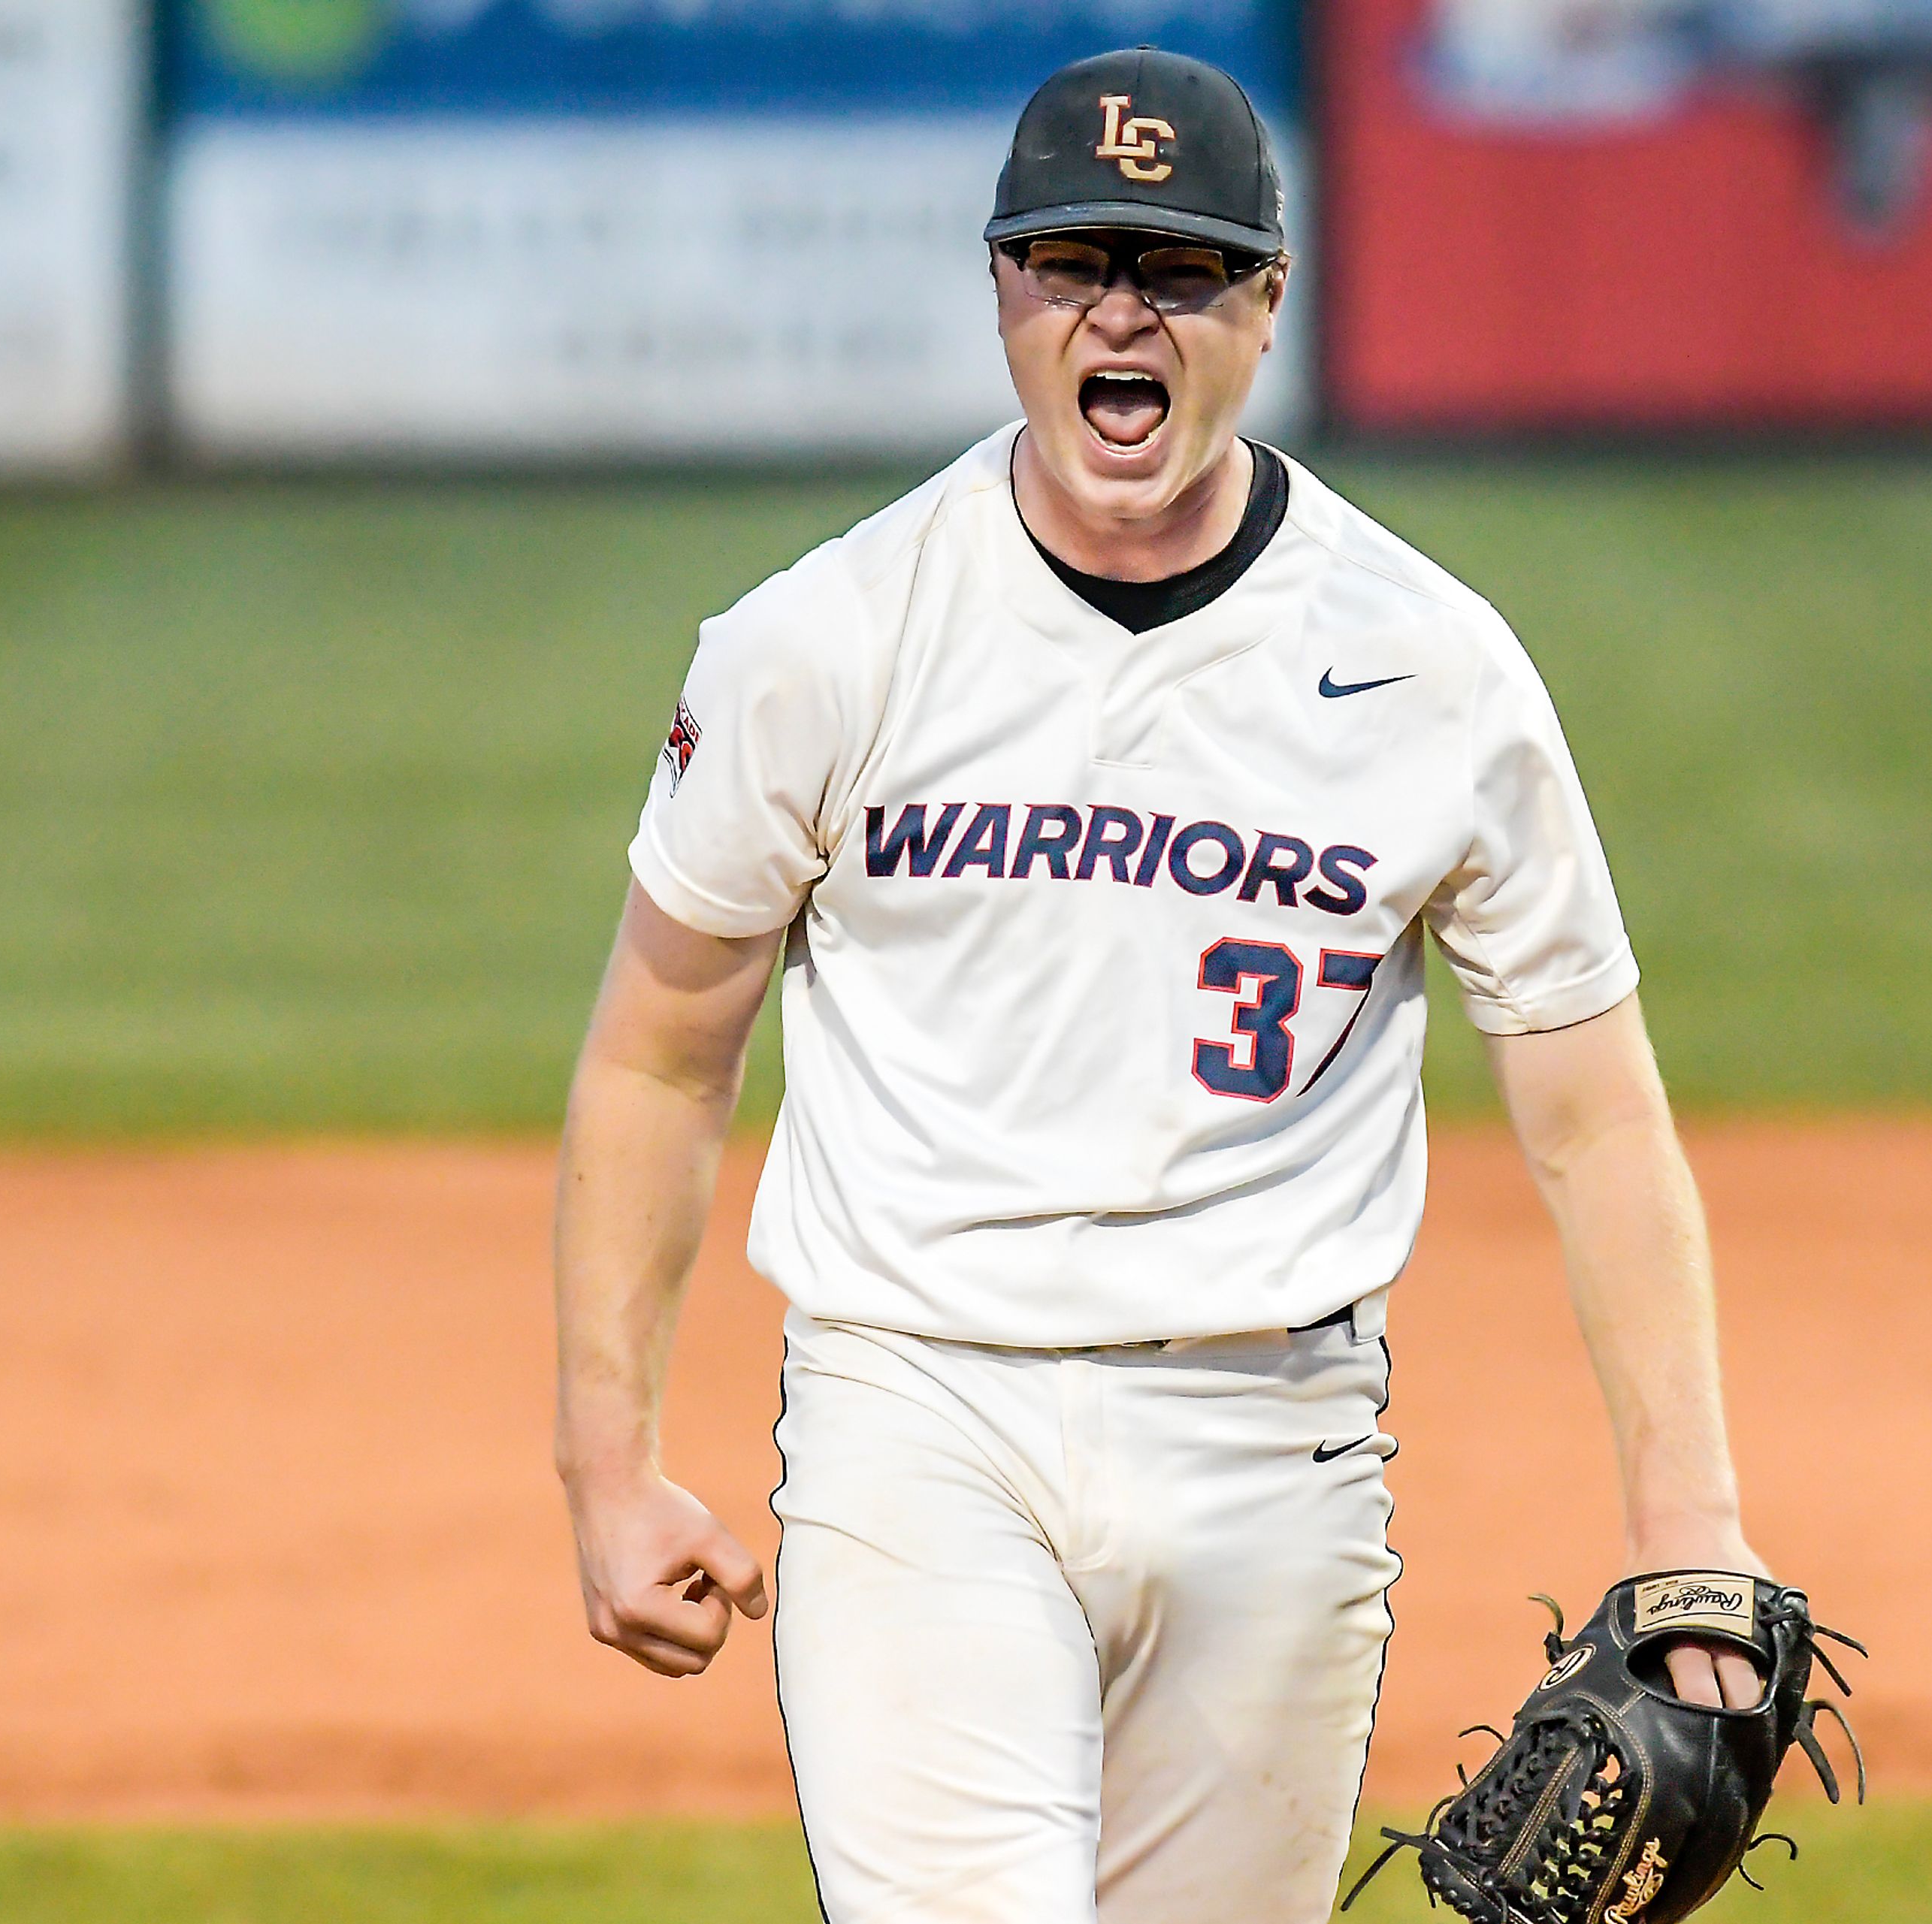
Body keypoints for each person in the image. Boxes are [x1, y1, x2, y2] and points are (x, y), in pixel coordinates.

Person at [552, 44, 1765, 1924]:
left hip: (1276, 1447)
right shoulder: (826, 640)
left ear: (1268, 303)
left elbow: (1596, 1110)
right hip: (917, 1417)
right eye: (1073, 263)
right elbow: (658, 1053)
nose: (1123, 312)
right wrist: (606, 1463)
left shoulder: (1430, 665)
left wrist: (1689, 1531)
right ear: (1004, 292)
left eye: (1181, 270)